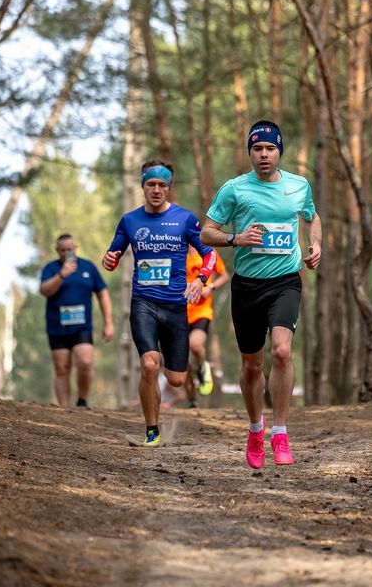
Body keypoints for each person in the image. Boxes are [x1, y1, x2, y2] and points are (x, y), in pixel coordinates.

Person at [200, 120, 321, 469]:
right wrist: (235, 239)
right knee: (252, 365)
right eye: (257, 149)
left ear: (279, 151)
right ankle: (256, 429)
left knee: (281, 352)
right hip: (247, 286)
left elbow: (312, 217)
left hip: (285, 282)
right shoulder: (234, 189)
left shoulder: (298, 186)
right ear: (250, 153)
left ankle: (280, 433)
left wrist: (315, 244)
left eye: (270, 148)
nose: (264, 154)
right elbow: (206, 232)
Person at [102, 160, 218, 447]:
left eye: (162, 185)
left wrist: (200, 280)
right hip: (143, 303)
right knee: (149, 364)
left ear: (169, 188)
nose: (156, 190)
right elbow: (113, 256)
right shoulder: (130, 220)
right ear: (143, 186)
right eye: (151, 184)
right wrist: (109, 259)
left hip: (175, 306)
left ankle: (194, 370)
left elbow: (210, 254)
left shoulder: (184, 219)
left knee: (176, 379)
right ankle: (151, 429)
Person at [40, 234, 114, 408]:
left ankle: (82, 400)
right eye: (63, 250)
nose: (67, 252)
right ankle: (64, 408)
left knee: (85, 362)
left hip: (82, 326)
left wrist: (108, 322)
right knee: (62, 367)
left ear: (75, 248)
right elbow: (44, 290)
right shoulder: (51, 268)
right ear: (57, 250)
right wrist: (61, 275)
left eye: (70, 249)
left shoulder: (88, 267)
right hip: (57, 326)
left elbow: (103, 293)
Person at [184, 245, 229, 406]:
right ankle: (192, 400)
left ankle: (203, 367)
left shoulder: (207, 251)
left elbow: (224, 275)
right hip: (179, 312)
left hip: (201, 311)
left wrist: (210, 287)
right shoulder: (176, 249)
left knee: (195, 346)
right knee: (182, 359)